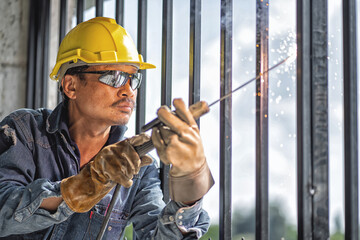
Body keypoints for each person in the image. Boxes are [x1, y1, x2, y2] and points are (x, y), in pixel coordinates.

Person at [0, 17, 214, 239]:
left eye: (133, 79)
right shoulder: (25, 132)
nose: (128, 91)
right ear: (71, 86)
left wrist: (190, 187)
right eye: (114, 77)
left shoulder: (137, 165)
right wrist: (84, 186)